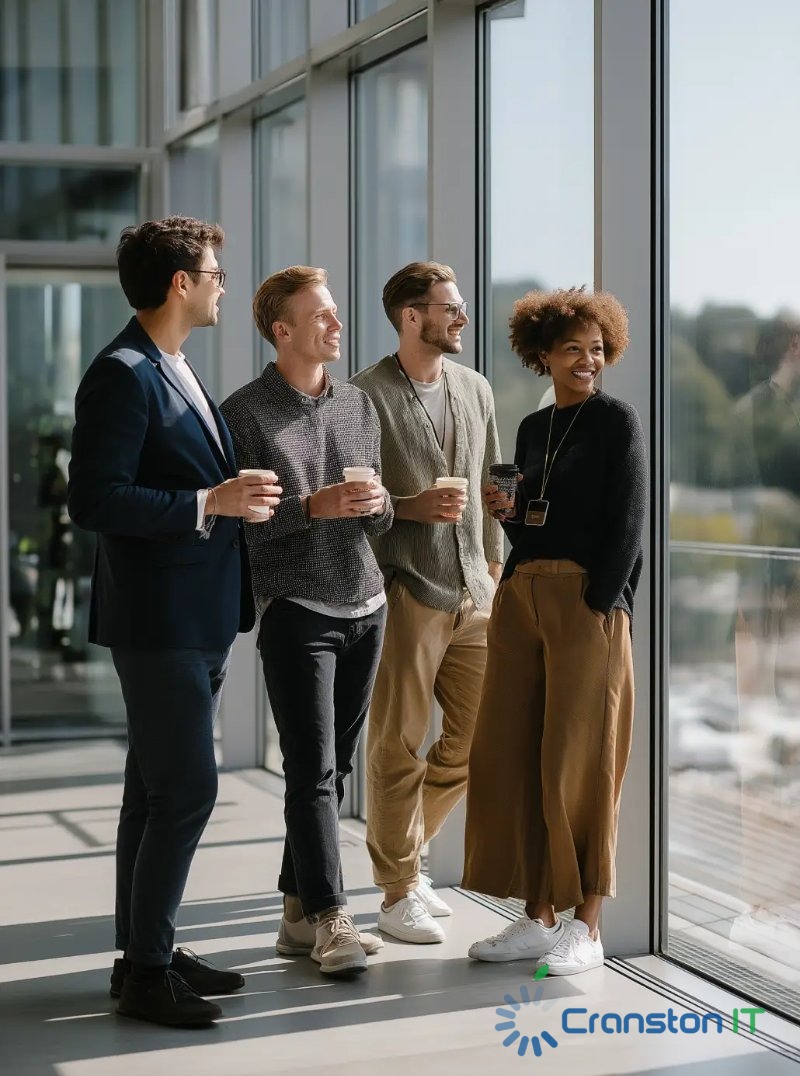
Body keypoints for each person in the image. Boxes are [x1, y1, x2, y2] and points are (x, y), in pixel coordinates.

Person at [67, 216, 282, 1027]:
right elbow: (96, 499)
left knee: (151, 795)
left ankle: (142, 958)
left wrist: (233, 498)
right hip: (156, 619)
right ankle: (150, 972)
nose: (225, 283)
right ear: (180, 283)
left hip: (197, 615)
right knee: (188, 790)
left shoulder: (176, 367)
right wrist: (209, 501)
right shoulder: (122, 372)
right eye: (215, 272)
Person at [462, 286, 646, 975]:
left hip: (584, 605)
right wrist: (502, 511)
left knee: (582, 761)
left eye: (597, 350)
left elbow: (629, 523)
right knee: (514, 755)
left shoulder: (615, 421)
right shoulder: (535, 430)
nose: (588, 360)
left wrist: (601, 603)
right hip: (522, 594)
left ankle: (588, 926)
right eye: (573, 349)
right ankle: (537, 918)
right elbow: (531, 522)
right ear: (542, 354)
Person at [220, 266, 392, 978]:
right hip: (296, 611)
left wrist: (378, 501)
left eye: (335, 313)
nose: (336, 323)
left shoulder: (357, 405)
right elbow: (237, 528)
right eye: (319, 315)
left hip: (367, 602)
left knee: (333, 769)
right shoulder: (244, 414)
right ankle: (330, 918)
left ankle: (296, 913)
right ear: (281, 329)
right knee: (311, 772)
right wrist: (310, 508)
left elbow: (379, 518)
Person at [350, 262, 503, 943]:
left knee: (476, 741)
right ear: (412, 317)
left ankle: (409, 852)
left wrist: (494, 566)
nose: (462, 318)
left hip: (475, 593)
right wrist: (413, 507)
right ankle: (396, 891)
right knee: (397, 744)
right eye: (450, 308)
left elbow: (492, 484)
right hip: (407, 588)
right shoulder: (363, 397)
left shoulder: (475, 388)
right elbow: (353, 503)